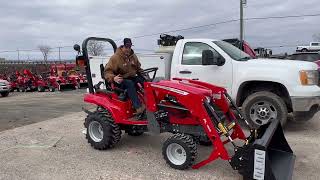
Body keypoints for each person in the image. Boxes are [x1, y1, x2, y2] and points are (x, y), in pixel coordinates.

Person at [104, 38, 145, 115]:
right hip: (119, 81)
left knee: (143, 80)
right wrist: (113, 78)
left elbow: (138, 68)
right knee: (129, 83)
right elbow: (107, 72)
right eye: (126, 47)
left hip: (131, 78)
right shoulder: (115, 58)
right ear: (122, 46)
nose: (128, 49)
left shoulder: (133, 56)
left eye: (129, 47)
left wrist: (145, 76)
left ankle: (150, 102)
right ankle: (138, 107)